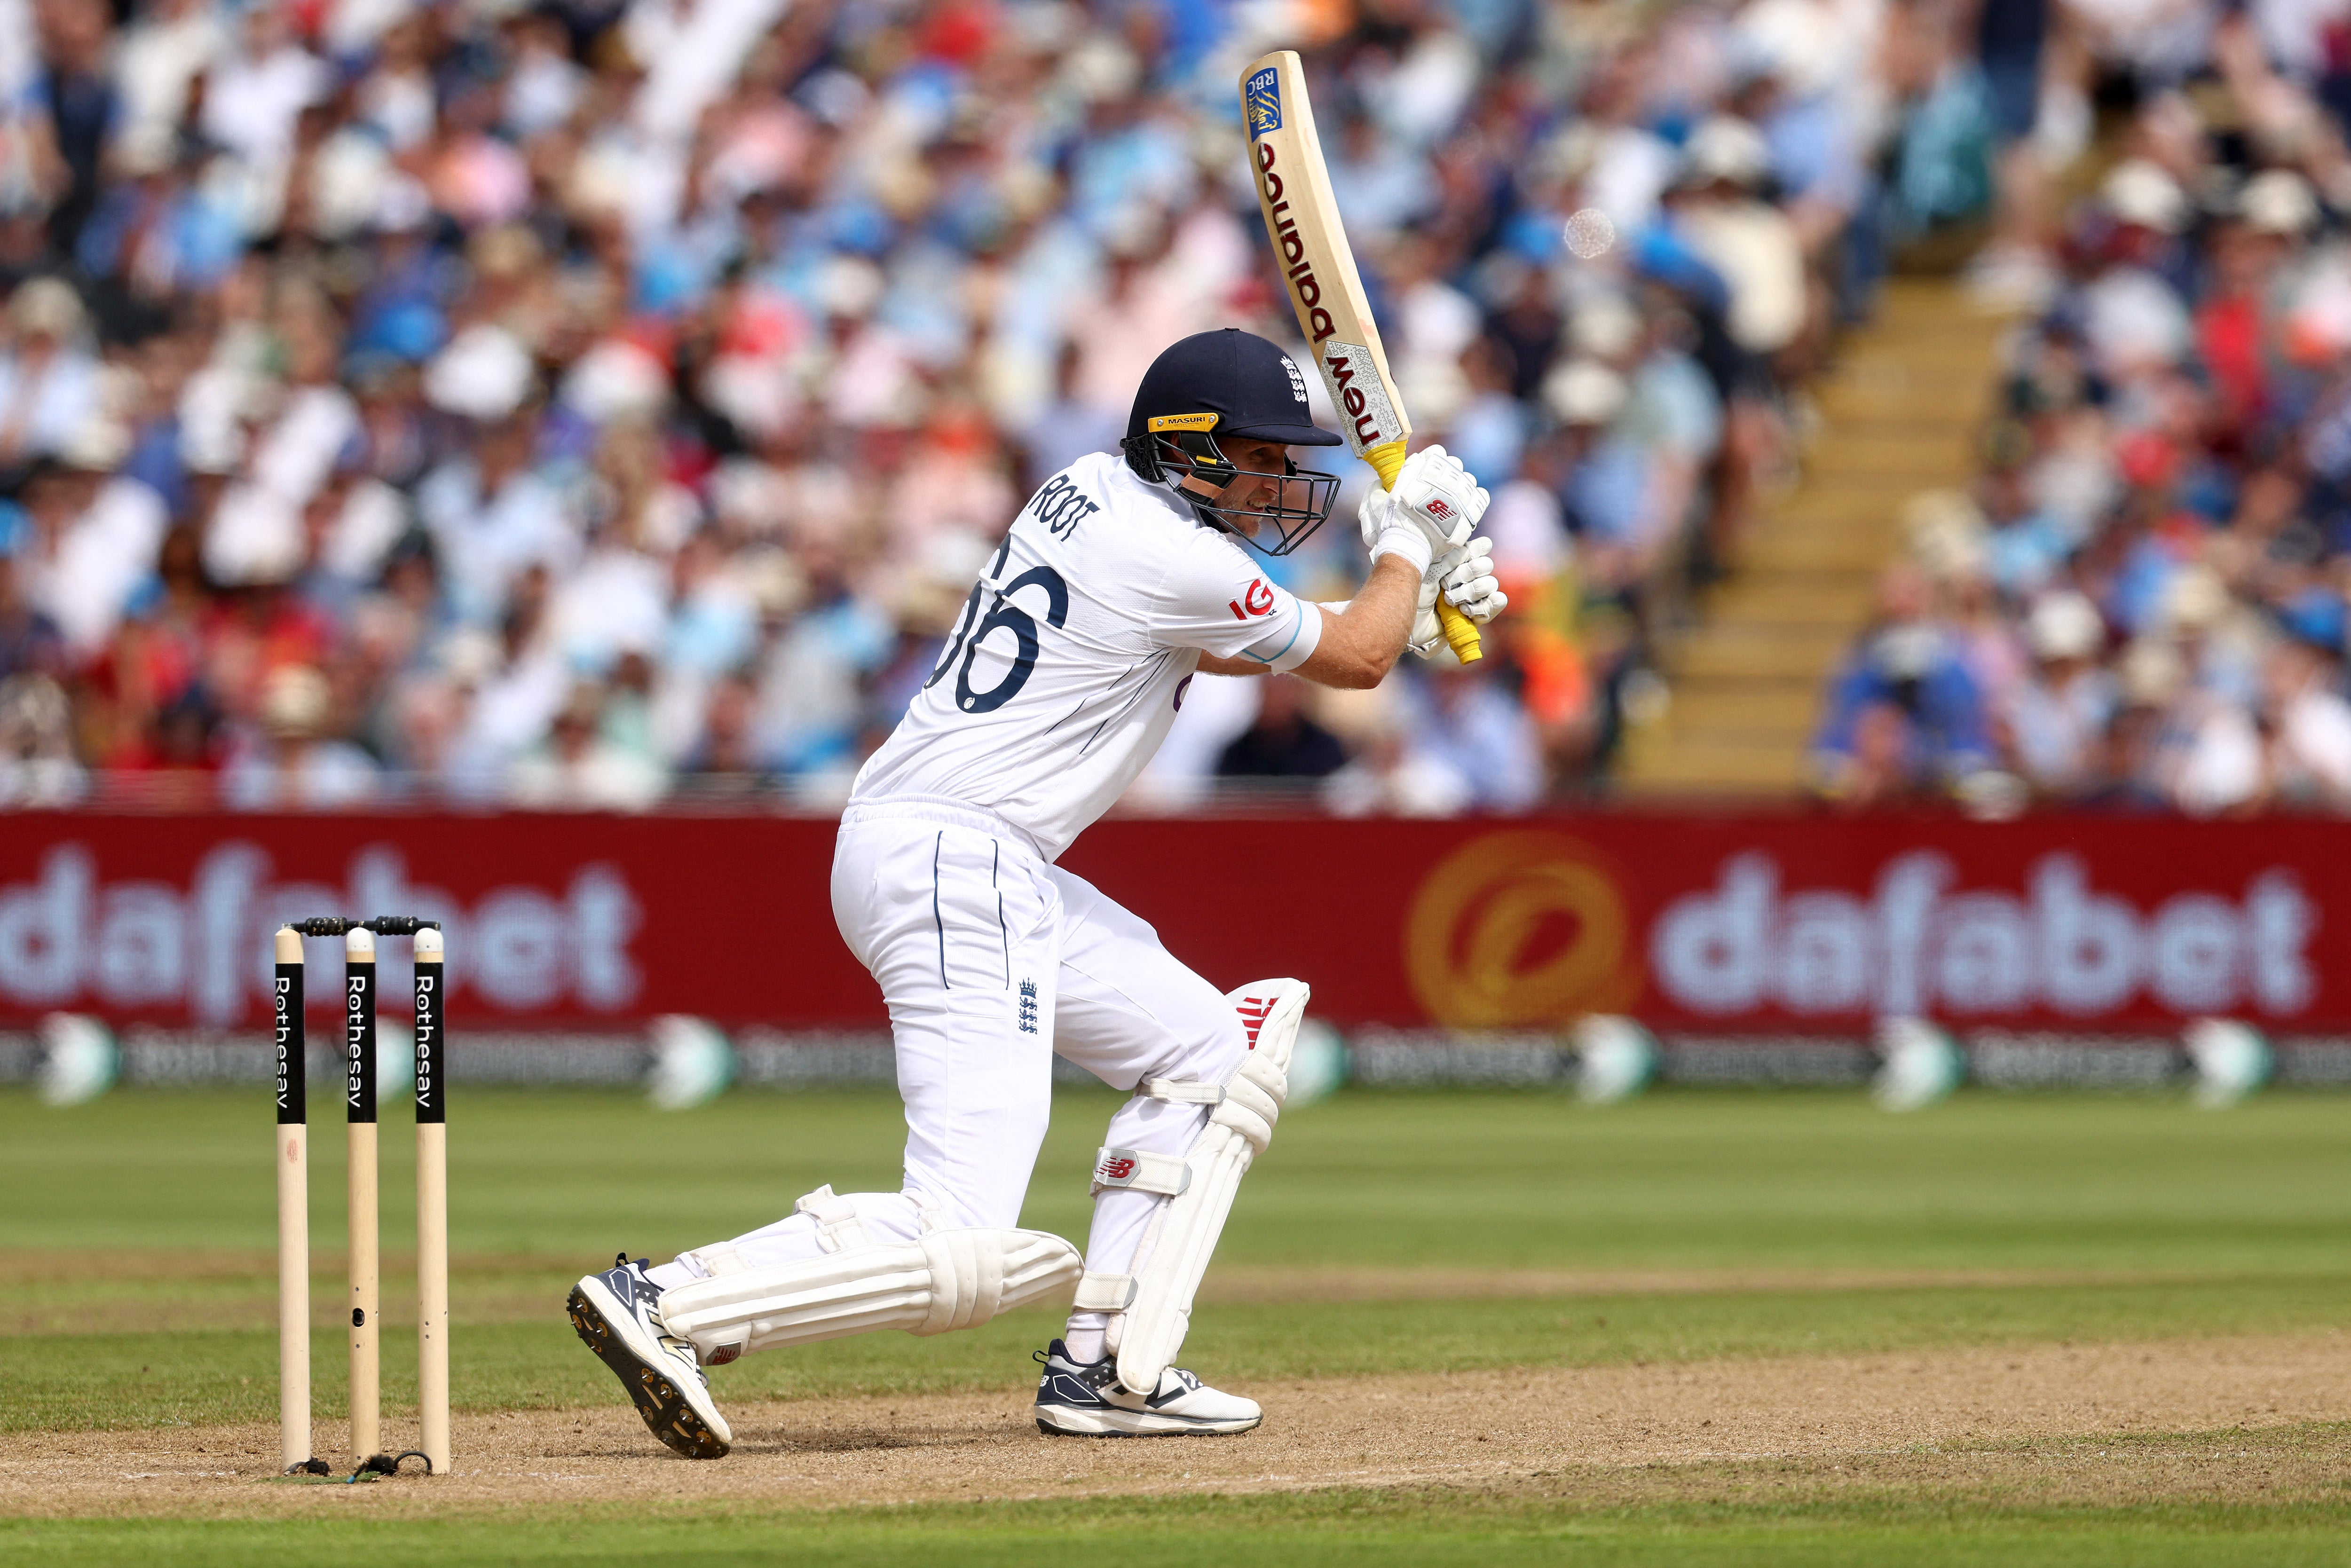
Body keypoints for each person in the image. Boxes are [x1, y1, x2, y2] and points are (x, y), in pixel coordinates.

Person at [565, 329, 1505, 1453]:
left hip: (945, 847)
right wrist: (1407, 554)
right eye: (1257, 460)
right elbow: (1347, 661)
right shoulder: (1177, 555)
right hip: (962, 860)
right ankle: (665, 1298)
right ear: (1188, 451)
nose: (1277, 484)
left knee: (1210, 1050)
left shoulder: (1087, 492)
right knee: (960, 1228)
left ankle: (1108, 1366)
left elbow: (1225, 644)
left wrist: (1403, 592)